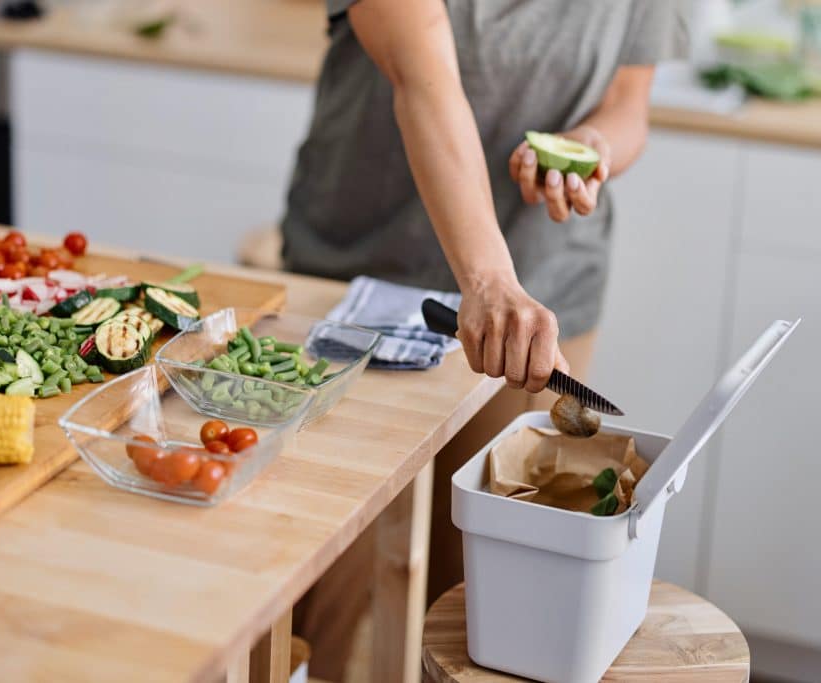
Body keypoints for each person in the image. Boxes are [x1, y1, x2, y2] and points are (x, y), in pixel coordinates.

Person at [281, 0, 688, 678]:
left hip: (543, 293)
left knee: (480, 603)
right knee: (320, 598)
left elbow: (628, 100)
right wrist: (491, 281)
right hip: (366, 275)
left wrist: (593, 146)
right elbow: (421, 72)